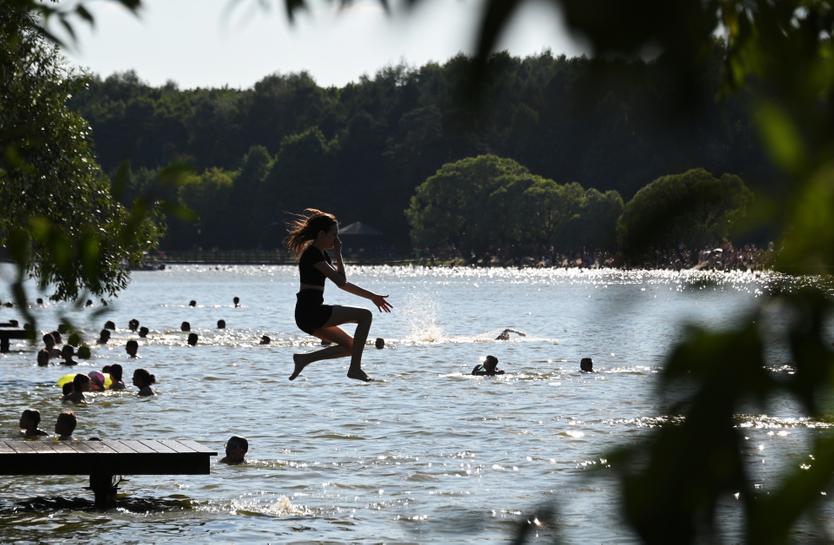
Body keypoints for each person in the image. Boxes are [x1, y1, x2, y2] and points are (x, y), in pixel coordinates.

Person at [285, 209, 393, 382]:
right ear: (321, 234)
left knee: (351, 346)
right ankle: (355, 369)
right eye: (333, 235)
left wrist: (337, 253)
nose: (336, 239)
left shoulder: (322, 254)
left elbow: (342, 281)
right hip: (310, 312)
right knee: (365, 316)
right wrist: (373, 297)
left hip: (308, 315)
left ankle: (304, 359)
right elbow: (341, 283)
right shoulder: (313, 254)